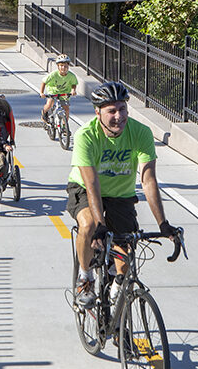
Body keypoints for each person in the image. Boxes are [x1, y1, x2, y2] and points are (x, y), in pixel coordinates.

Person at [67, 81, 178, 309]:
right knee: (88, 225)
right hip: (85, 188)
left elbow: (148, 181)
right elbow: (92, 184)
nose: (119, 116)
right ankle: (85, 276)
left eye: (123, 109)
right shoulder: (85, 136)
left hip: (121, 194)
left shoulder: (141, 133)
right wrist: (100, 224)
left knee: (125, 253)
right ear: (97, 112)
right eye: (111, 111)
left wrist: (163, 223)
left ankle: (117, 294)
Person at [40, 54, 77, 122]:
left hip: (64, 93)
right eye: (61, 66)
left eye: (65, 66)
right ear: (58, 66)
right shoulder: (53, 74)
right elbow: (44, 82)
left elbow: (74, 84)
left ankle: (64, 127)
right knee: (50, 103)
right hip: (53, 91)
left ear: (68, 66)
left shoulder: (71, 76)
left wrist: (73, 90)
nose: (63, 68)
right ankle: (44, 112)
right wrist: (41, 93)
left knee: (66, 109)